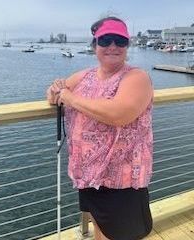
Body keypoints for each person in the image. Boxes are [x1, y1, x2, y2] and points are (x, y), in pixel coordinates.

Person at [47, 16, 153, 240]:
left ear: (127, 45)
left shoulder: (137, 77)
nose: (112, 46)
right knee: (101, 232)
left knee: (124, 235)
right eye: (105, 40)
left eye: (119, 40)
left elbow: (119, 114)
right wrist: (56, 89)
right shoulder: (84, 76)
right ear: (95, 45)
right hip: (89, 175)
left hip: (122, 181)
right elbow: (54, 94)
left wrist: (70, 98)